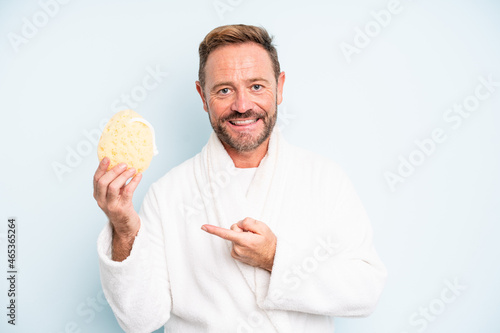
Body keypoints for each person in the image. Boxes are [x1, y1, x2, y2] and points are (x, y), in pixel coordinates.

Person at [93, 24, 387, 333]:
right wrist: (123, 228)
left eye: (257, 86)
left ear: (280, 87)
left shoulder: (325, 179)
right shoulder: (167, 194)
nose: (242, 105)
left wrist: (275, 258)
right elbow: (140, 320)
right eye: (224, 90)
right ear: (203, 96)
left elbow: (366, 292)